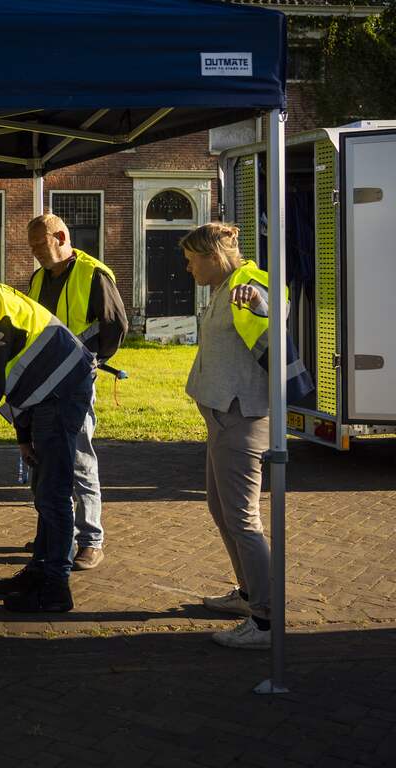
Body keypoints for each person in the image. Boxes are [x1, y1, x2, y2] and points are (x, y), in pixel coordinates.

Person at [181, 223, 312, 650]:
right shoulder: (223, 286)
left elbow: (276, 311)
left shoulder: (249, 283)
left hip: (243, 416)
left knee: (243, 519)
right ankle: (249, 595)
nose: (187, 268)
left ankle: (267, 618)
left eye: (191, 259)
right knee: (221, 509)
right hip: (223, 416)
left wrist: (259, 304)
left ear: (212, 256)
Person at [0, 278, 95, 613]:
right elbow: (19, 376)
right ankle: (41, 571)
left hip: (60, 392)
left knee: (53, 493)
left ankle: (56, 587)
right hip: (50, 392)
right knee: (44, 490)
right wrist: (24, 439)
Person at [26, 214, 127, 570]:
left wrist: (90, 361)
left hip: (77, 382)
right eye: (32, 245)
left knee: (79, 457)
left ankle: (90, 539)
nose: (35, 251)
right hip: (43, 381)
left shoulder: (93, 273)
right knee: (45, 458)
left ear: (61, 236)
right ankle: (57, 533)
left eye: (40, 243)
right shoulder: (38, 278)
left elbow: (115, 324)